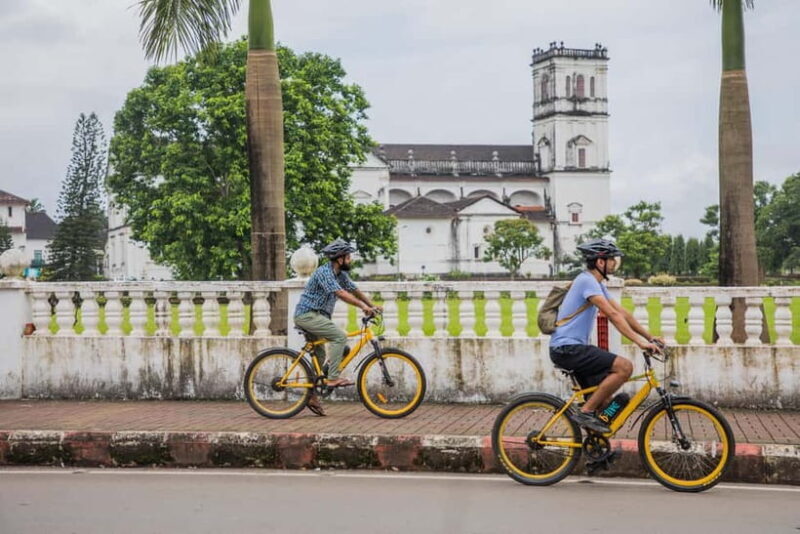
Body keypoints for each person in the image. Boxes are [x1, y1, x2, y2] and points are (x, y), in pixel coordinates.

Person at [550, 239, 662, 433]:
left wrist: (650, 337)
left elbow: (622, 312)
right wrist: (640, 343)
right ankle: (585, 411)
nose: (615, 263)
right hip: (567, 349)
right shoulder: (586, 281)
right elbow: (612, 315)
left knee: (607, 403)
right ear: (600, 262)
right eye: (611, 259)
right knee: (624, 367)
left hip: (572, 349)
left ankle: (597, 450)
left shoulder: (596, 284)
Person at [294, 239, 382, 416]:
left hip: (318, 317)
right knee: (339, 337)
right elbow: (340, 293)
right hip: (308, 315)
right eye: (348, 256)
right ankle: (332, 379)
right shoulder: (324, 272)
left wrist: (371, 305)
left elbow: (354, 289)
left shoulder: (339, 274)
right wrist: (362, 307)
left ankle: (311, 394)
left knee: (336, 351)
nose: (350, 259)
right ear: (339, 258)